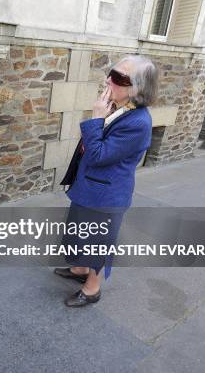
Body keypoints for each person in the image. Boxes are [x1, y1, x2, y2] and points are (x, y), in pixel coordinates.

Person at [55, 55, 157, 307]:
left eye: (119, 78)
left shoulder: (138, 122)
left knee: (98, 241)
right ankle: (80, 269)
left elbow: (99, 155)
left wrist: (96, 119)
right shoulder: (119, 106)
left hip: (107, 195)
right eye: (110, 73)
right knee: (80, 231)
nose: (108, 80)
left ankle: (92, 289)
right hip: (90, 186)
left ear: (138, 88)